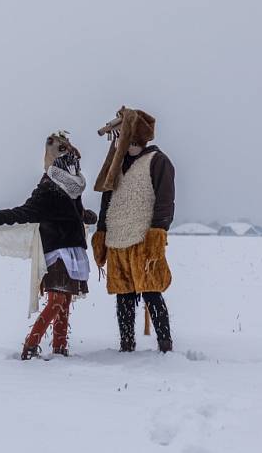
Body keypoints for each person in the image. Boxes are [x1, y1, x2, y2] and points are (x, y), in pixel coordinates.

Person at [0, 131, 97, 360]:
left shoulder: (74, 186)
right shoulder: (48, 184)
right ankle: (31, 344)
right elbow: (28, 210)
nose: (73, 162)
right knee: (56, 299)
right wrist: (0, 216)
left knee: (65, 299)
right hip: (55, 248)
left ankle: (59, 347)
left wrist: (84, 215)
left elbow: (73, 211)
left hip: (74, 247)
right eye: (68, 157)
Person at [91, 107, 175, 353]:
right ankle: (126, 344)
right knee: (124, 296)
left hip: (142, 239)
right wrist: (101, 232)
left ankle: (165, 345)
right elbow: (107, 201)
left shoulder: (158, 161)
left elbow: (164, 201)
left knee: (151, 292)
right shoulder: (117, 165)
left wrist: (157, 232)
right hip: (117, 240)